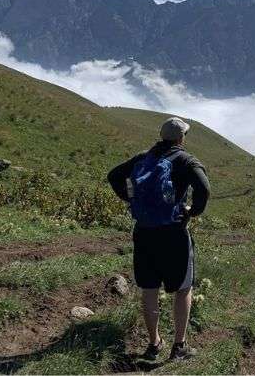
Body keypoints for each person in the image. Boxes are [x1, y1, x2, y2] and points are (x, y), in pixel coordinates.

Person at [107, 117, 210, 362]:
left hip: (144, 232)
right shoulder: (186, 159)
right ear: (180, 138)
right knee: (184, 288)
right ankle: (179, 346)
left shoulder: (143, 157)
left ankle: (154, 344)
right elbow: (204, 189)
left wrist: (129, 198)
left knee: (149, 289)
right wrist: (191, 211)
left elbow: (113, 176)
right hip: (174, 233)